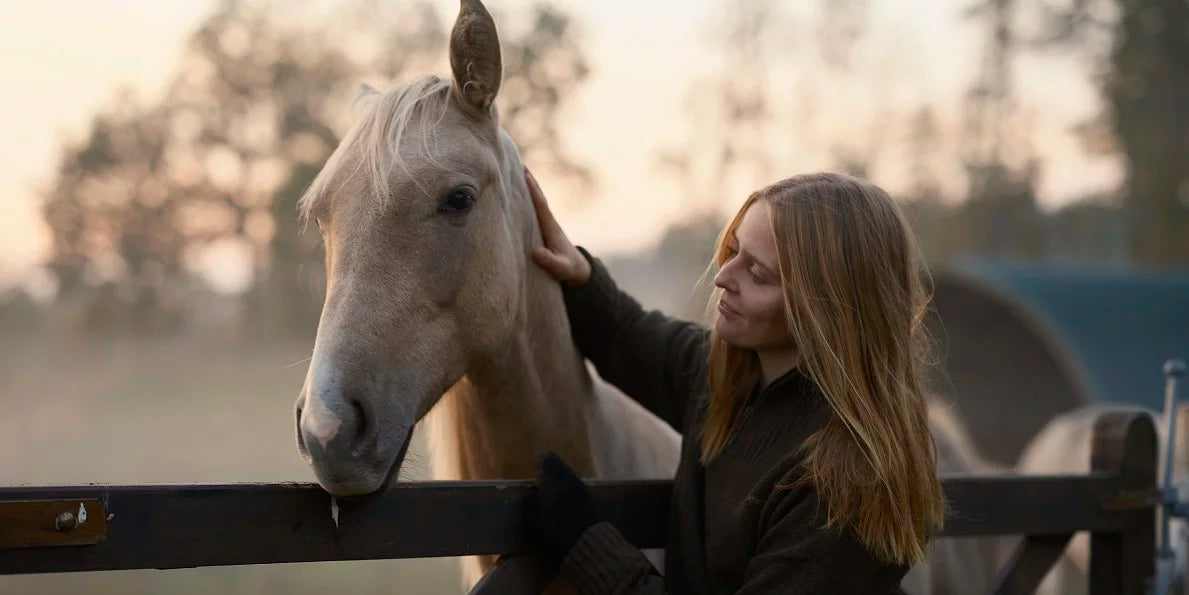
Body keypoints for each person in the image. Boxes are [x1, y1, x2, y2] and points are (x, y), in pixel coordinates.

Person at [523, 169, 946, 594]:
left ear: (827, 309)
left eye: (757, 274)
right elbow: (626, 333)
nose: (724, 276)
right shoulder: (730, 378)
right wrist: (579, 274)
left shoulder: (846, 482)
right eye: (733, 250)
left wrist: (589, 547)